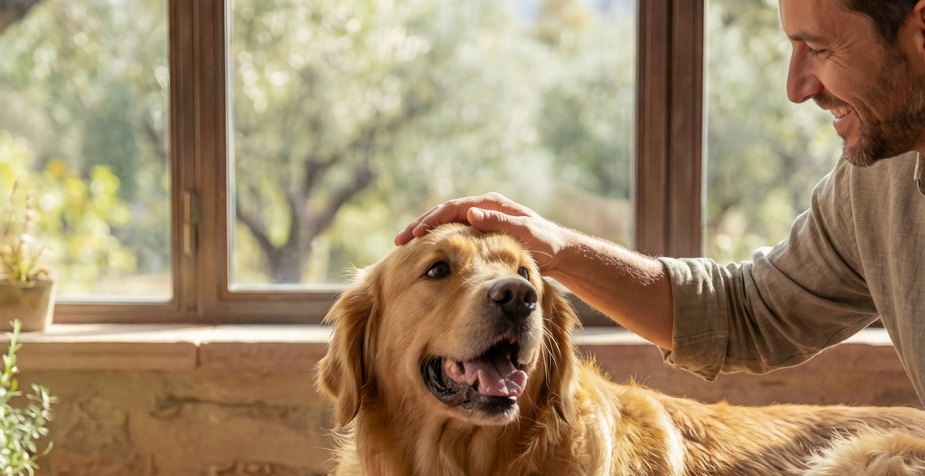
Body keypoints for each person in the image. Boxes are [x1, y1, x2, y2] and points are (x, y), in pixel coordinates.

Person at [394, 0, 925, 403]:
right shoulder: (875, 182)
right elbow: (744, 313)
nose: (796, 86)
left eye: (823, 50)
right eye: (793, 48)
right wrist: (556, 248)